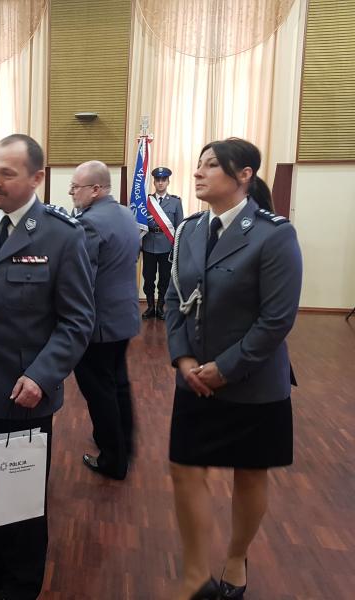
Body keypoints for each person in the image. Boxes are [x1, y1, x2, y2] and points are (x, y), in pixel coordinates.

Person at [0, 134, 94, 600]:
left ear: (37, 178)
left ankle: (19, 586)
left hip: (22, 396)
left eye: (6, 173)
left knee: (16, 504)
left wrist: (42, 376)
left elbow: (77, 320)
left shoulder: (61, 235)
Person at [165, 138, 302, 600]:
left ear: (243, 175)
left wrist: (223, 369)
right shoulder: (188, 231)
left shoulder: (273, 233)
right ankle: (196, 568)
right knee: (186, 467)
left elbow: (277, 319)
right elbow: (173, 301)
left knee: (250, 472)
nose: (199, 173)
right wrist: (184, 359)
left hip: (252, 381)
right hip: (194, 377)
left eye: (211, 165)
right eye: (198, 164)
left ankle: (236, 557)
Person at [70, 161, 140, 481]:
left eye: (77, 187)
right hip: (123, 314)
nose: (72, 192)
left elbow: (79, 279)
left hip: (98, 321)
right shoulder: (127, 214)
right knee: (118, 382)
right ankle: (124, 441)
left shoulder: (89, 224)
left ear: (96, 189)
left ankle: (113, 459)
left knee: (98, 389)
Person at [141, 167, 183, 320]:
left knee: (164, 278)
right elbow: (139, 224)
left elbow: (179, 227)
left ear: (168, 181)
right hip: (149, 244)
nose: (160, 183)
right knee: (148, 277)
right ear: (154, 181)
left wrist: (176, 248)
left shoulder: (175, 202)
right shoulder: (146, 202)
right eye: (157, 180)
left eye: (163, 180)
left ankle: (160, 307)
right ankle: (150, 306)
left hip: (167, 245)